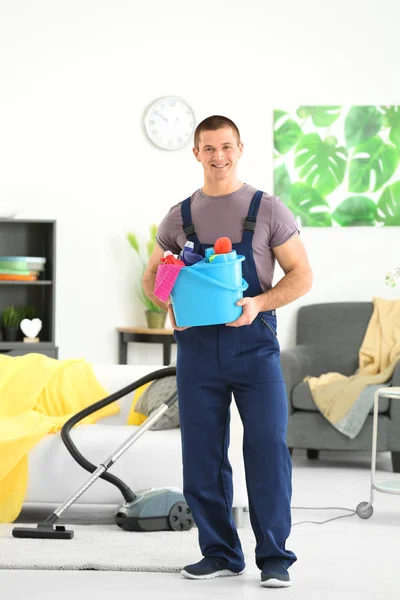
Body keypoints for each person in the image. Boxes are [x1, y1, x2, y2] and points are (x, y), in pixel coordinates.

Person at [142, 115, 313, 588]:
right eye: (209, 148)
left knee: (267, 449)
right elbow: (153, 279)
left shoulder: (268, 208)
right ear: (195, 153)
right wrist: (171, 292)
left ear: (240, 148)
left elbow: (302, 275)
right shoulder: (179, 216)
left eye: (226, 147)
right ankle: (219, 552)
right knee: (202, 454)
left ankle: (275, 557)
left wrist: (258, 302)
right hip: (196, 348)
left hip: (254, 345)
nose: (219, 156)